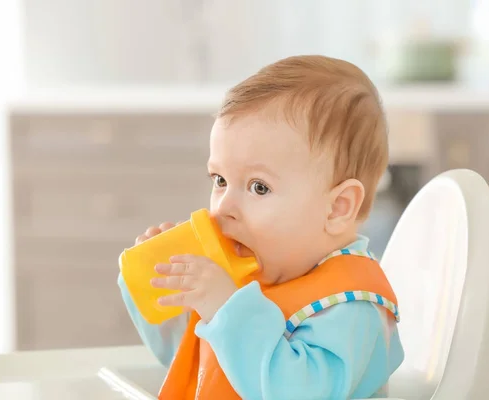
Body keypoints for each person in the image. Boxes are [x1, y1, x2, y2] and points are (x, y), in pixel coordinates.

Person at [118, 55, 404, 399]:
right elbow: (198, 363)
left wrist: (226, 311)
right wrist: (171, 291)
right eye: (220, 179)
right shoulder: (255, 273)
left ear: (337, 208)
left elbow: (297, 392)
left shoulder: (351, 307)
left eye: (259, 187)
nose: (224, 207)